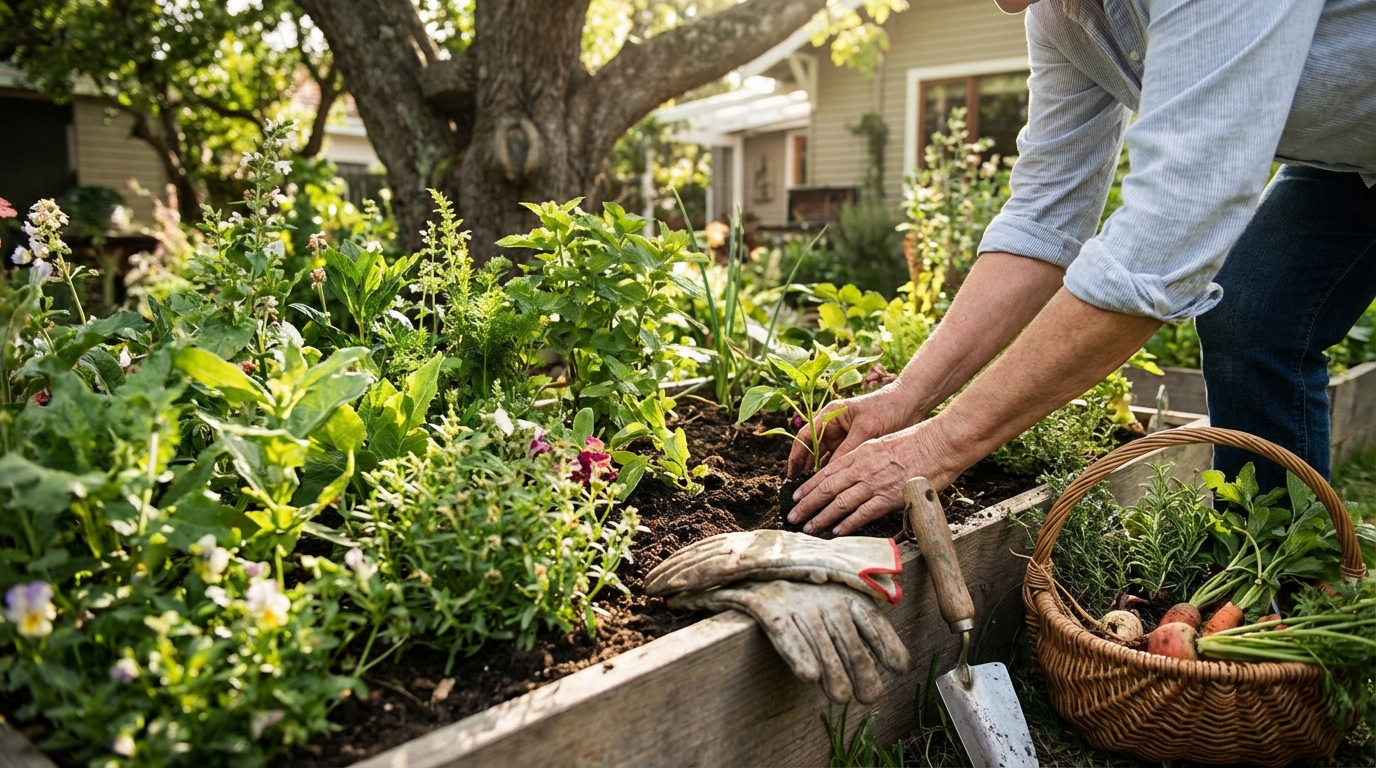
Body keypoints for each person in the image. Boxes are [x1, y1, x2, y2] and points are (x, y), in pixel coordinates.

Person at [787, 0, 1376, 536]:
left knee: (1249, 307)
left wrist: (938, 445)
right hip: (1344, 156)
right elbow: (1045, 219)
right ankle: (1272, 568)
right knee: (1251, 317)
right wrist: (904, 398)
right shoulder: (1059, 16)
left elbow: (1166, 236)